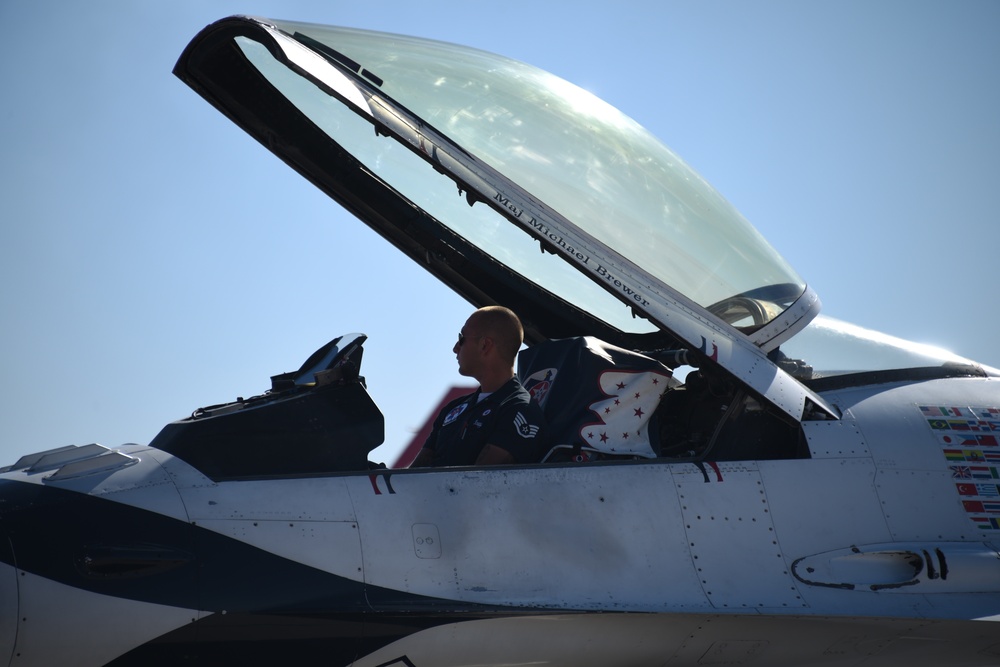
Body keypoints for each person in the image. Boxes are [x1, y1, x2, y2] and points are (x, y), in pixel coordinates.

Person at [409, 306, 547, 467]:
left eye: (462, 339)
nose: (455, 348)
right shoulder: (454, 408)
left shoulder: (519, 411)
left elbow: (477, 483)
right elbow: (412, 477)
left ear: (485, 345)